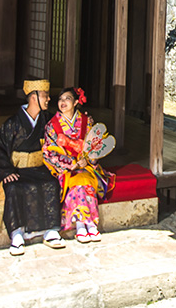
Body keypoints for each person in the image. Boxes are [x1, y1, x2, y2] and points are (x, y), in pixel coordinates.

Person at [0, 79, 65, 256]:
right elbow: (1, 147)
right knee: (12, 187)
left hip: (40, 166)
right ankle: (17, 233)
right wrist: (5, 170)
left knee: (51, 184)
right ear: (33, 97)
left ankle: (50, 230)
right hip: (17, 167)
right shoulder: (13, 123)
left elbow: (61, 136)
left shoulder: (48, 119)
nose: (48, 99)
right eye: (44, 96)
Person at [42, 86, 114, 242]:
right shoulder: (51, 125)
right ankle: (84, 224)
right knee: (79, 182)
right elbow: (48, 152)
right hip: (64, 168)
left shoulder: (87, 121)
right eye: (60, 99)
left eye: (67, 99)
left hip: (85, 165)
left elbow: (94, 147)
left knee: (86, 179)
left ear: (75, 102)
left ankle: (87, 225)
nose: (63, 102)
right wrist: (72, 163)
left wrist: (88, 160)